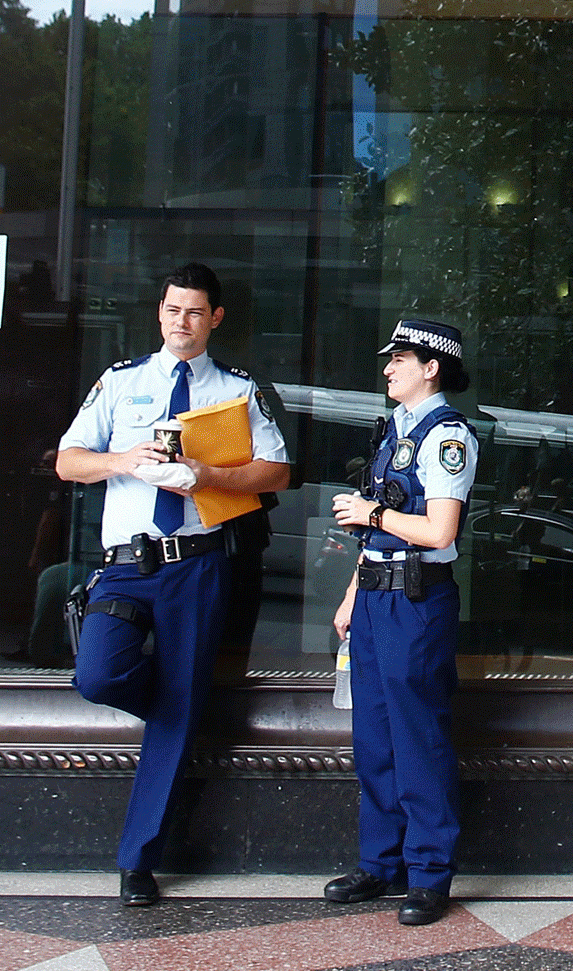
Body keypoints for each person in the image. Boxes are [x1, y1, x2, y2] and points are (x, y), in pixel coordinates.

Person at [56, 262, 290, 906]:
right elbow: (69, 460)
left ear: (214, 319)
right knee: (99, 675)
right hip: (127, 565)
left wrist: (207, 475)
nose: (180, 323)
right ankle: (175, 709)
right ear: (158, 312)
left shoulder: (238, 391)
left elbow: (276, 473)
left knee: (180, 705)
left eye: (193, 312)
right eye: (170, 310)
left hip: (198, 564)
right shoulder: (121, 382)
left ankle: (138, 860)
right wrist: (122, 460)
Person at [323, 318, 478, 927]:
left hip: (417, 601)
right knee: (375, 737)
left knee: (418, 736)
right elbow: (378, 533)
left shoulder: (447, 437)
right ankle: (380, 863)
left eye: (400, 359)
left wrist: (373, 512)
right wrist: (350, 596)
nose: (388, 368)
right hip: (377, 597)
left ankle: (429, 872)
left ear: (430, 367)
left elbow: (439, 530)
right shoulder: (395, 430)